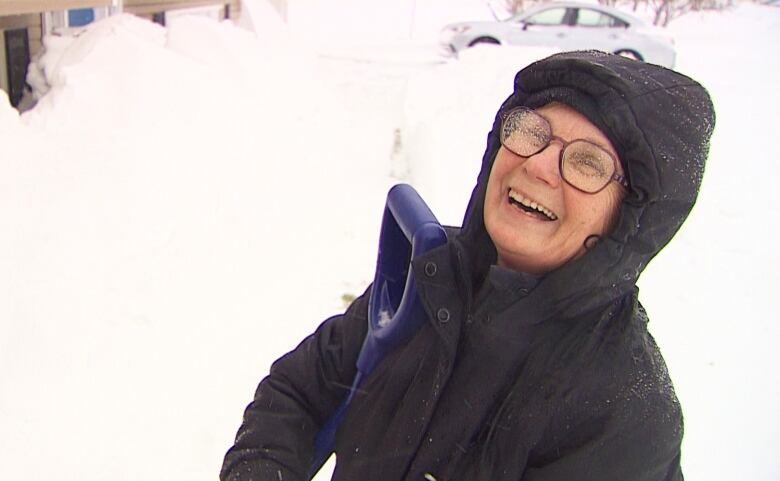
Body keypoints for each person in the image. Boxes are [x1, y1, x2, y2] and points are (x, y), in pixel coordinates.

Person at [220, 50, 715, 481]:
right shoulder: (431, 277)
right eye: (531, 132)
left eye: (588, 163)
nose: (538, 165)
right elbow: (296, 395)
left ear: (630, 218)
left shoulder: (622, 415)